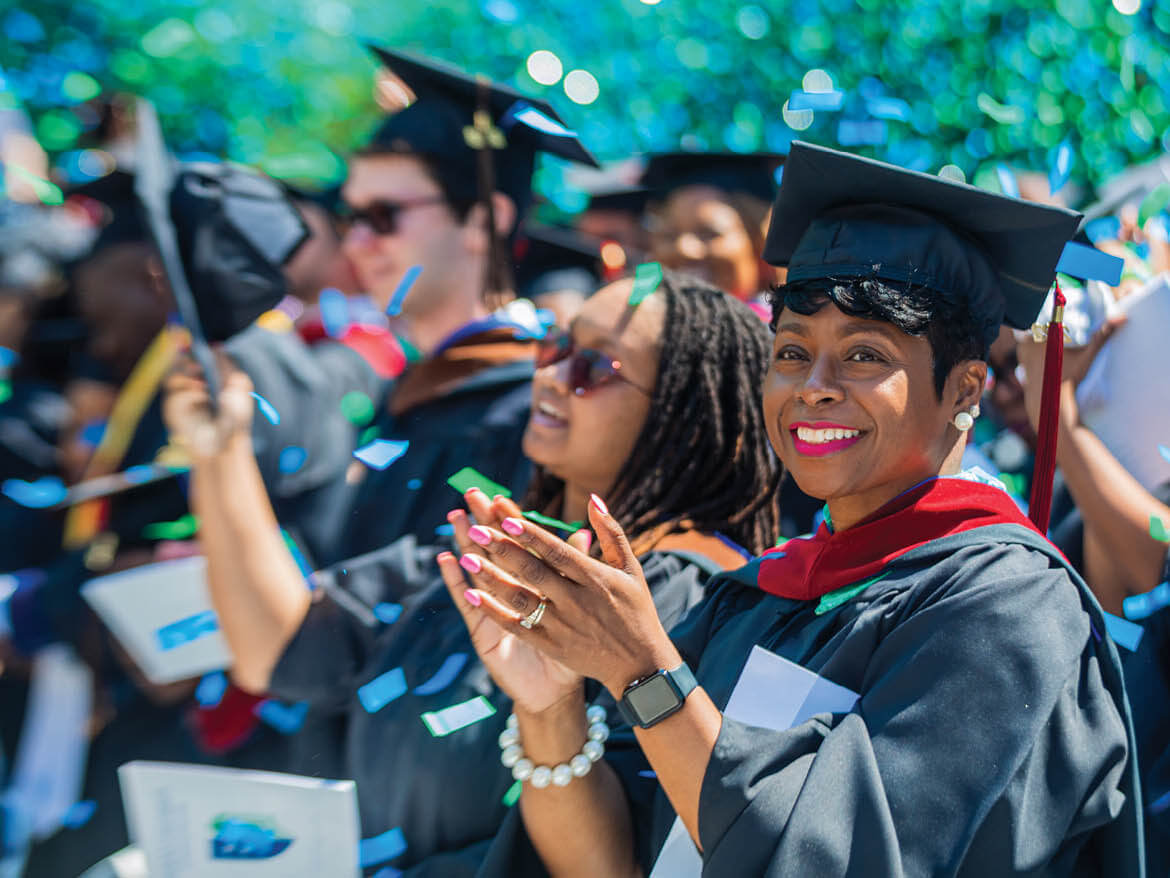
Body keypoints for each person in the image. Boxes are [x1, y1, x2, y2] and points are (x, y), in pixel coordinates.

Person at [441, 142, 1143, 876]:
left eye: (866, 355)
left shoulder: (1008, 608)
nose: (814, 385)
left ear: (965, 390)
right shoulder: (753, 596)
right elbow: (612, 864)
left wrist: (641, 672)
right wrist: (549, 704)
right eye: (790, 352)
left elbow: (839, 861)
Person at [161, 270, 782, 873]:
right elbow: (278, 648)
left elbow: (614, 866)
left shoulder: (681, 594)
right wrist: (222, 450)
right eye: (557, 345)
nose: (551, 376)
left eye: (595, 368)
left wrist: (550, 713)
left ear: (686, 417)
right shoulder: (496, 540)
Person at [227, 46, 600, 566]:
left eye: (383, 216)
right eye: (348, 216)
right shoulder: (405, 388)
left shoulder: (532, 409)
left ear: (483, 221)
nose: (356, 243)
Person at [641, 151, 782, 303]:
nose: (684, 249)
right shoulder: (642, 322)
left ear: (760, 244)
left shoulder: (784, 325)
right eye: (669, 235)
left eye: (709, 233)